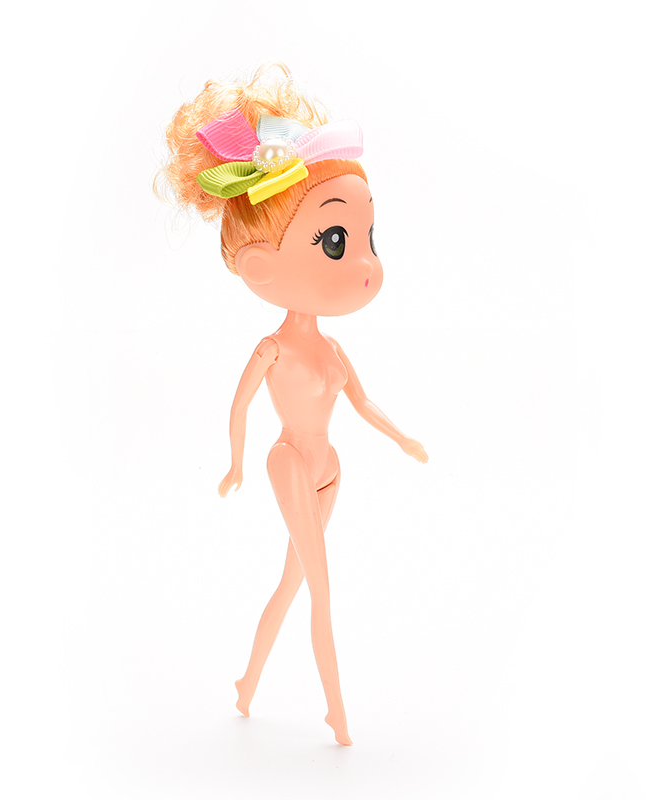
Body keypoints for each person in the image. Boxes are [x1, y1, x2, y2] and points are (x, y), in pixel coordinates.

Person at [158, 64, 428, 746]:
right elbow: (241, 407)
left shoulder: (332, 352)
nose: (364, 263)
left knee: (291, 585)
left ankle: (247, 681)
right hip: (289, 463)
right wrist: (235, 463)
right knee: (322, 589)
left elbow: (364, 404)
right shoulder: (271, 350)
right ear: (260, 268)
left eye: (366, 239)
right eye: (336, 241)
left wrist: (402, 438)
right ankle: (336, 710)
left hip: (330, 468)